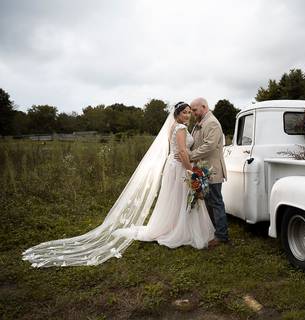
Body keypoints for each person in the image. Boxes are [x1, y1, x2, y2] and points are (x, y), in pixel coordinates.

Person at [22, 101, 214, 268]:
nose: (188, 115)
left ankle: (173, 227)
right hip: (180, 166)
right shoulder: (180, 128)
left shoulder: (175, 127)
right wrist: (191, 171)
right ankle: (176, 230)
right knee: (179, 197)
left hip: (174, 166)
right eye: (184, 112)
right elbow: (181, 152)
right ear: (177, 114)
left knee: (175, 198)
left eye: (190, 112)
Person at [188, 97, 229, 247]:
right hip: (203, 169)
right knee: (207, 202)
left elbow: (209, 146)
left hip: (212, 169)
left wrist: (190, 156)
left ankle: (222, 236)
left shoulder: (212, 123)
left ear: (204, 107)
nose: (192, 113)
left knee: (216, 202)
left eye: (194, 110)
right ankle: (213, 231)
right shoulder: (199, 123)